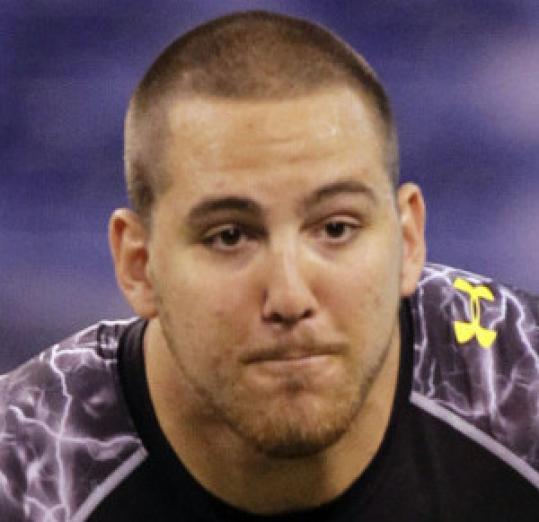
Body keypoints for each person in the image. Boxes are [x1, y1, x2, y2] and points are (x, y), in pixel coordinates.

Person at [1, 10, 538, 521]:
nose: (289, 297)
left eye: (336, 228)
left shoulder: (522, 397)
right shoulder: (26, 475)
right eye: (229, 236)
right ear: (138, 266)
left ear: (408, 240)